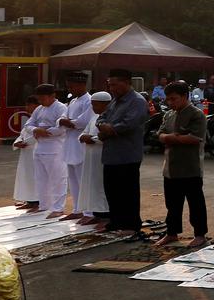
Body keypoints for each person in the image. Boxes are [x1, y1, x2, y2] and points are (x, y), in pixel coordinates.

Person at [97, 68, 150, 240]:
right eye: (109, 85)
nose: (111, 88)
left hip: (127, 154)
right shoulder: (115, 101)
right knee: (112, 190)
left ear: (126, 82)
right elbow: (101, 117)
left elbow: (130, 123)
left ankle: (131, 225)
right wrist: (104, 126)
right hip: (111, 154)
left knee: (128, 192)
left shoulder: (137, 101)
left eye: (114, 84)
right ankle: (116, 221)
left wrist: (110, 129)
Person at [155, 81, 208, 248]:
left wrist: (170, 138)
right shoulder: (169, 114)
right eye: (168, 99)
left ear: (185, 96)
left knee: (195, 202)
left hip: (190, 167)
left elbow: (194, 138)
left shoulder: (196, 114)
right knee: (172, 204)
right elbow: (160, 134)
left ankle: (200, 234)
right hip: (170, 167)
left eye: (174, 99)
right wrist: (173, 137)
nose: (170, 103)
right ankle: (172, 233)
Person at [58, 72, 95, 220]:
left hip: (81, 144)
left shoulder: (89, 101)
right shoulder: (73, 101)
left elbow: (83, 122)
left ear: (81, 85)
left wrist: (69, 122)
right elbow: (61, 119)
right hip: (69, 143)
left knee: (83, 180)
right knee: (73, 180)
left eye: (71, 86)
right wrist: (68, 122)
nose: (70, 89)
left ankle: (89, 212)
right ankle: (77, 209)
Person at [29, 84, 69, 218]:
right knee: (41, 179)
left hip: (55, 147)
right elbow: (28, 125)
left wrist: (45, 131)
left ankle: (58, 207)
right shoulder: (39, 109)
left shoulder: (61, 108)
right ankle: (44, 205)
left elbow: (61, 128)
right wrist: (35, 130)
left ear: (53, 96)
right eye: (39, 98)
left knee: (58, 179)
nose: (40, 101)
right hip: (39, 147)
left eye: (43, 98)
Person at [75, 91, 112, 226]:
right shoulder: (93, 117)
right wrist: (83, 137)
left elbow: (108, 137)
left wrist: (92, 139)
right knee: (92, 186)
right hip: (90, 157)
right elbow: (83, 132)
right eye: (92, 104)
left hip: (102, 156)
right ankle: (96, 213)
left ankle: (106, 216)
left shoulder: (109, 117)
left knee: (102, 186)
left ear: (106, 104)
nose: (93, 107)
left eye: (96, 105)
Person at [11, 95, 40, 210]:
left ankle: (38, 201)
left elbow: (38, 135)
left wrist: (26, 142)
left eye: (29, 105)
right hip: (26, 153)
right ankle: (29, 200)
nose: (27, 107)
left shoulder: (42, 119)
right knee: (26, 176)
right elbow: (22, 134)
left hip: (35, 150)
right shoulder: (30, 119)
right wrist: (17, 142)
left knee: (35, 177)